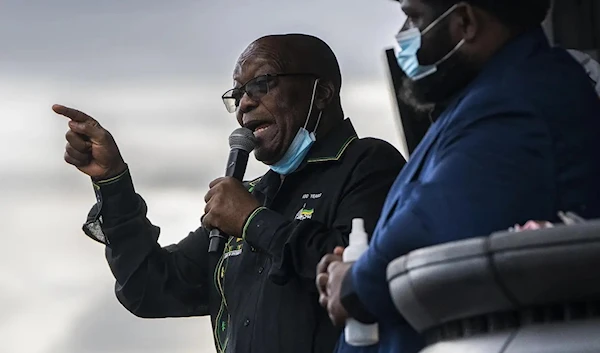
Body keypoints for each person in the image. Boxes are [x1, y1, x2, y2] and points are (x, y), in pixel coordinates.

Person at [52, 33, 406, 353]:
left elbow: (359, 272)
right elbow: (149, 288)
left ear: (322, 92)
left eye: (261, 84)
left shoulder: (367, 163)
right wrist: (113, 182)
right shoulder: (253, 194)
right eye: (237, 94)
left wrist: (254, 222)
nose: (244, 105)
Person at [316, 1, 600, 352]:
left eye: (415, 17)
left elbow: (433, 227)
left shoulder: (515, 102)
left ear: (465, 21)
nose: (405, 33)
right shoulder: (487, 97)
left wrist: (353, 284)